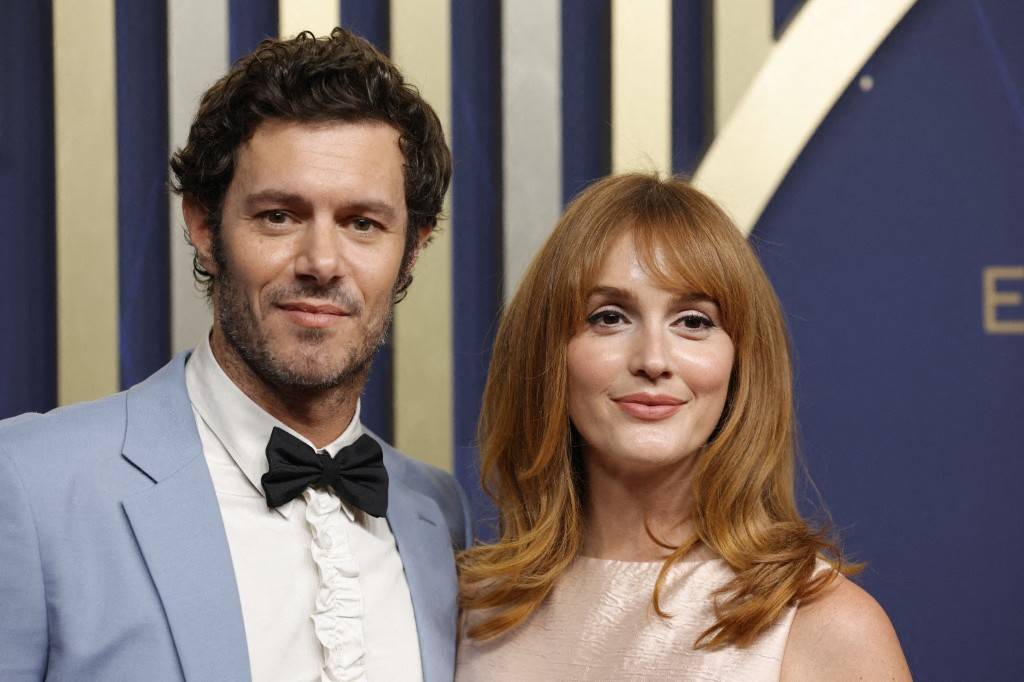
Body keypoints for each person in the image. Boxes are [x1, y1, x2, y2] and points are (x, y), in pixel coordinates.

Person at [0, 29, 470, 681]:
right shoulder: (27, 484)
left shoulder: (439, 515)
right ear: (203, 225)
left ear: (411, 248)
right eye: (279, 215)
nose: (322, 263)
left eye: (363, 223)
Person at [456, 174, 910, 680]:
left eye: (693, 321)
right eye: (609, 317)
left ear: (740, 363)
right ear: (547, 354)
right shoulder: (469, 613)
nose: (653, 359)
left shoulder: (828, 627)